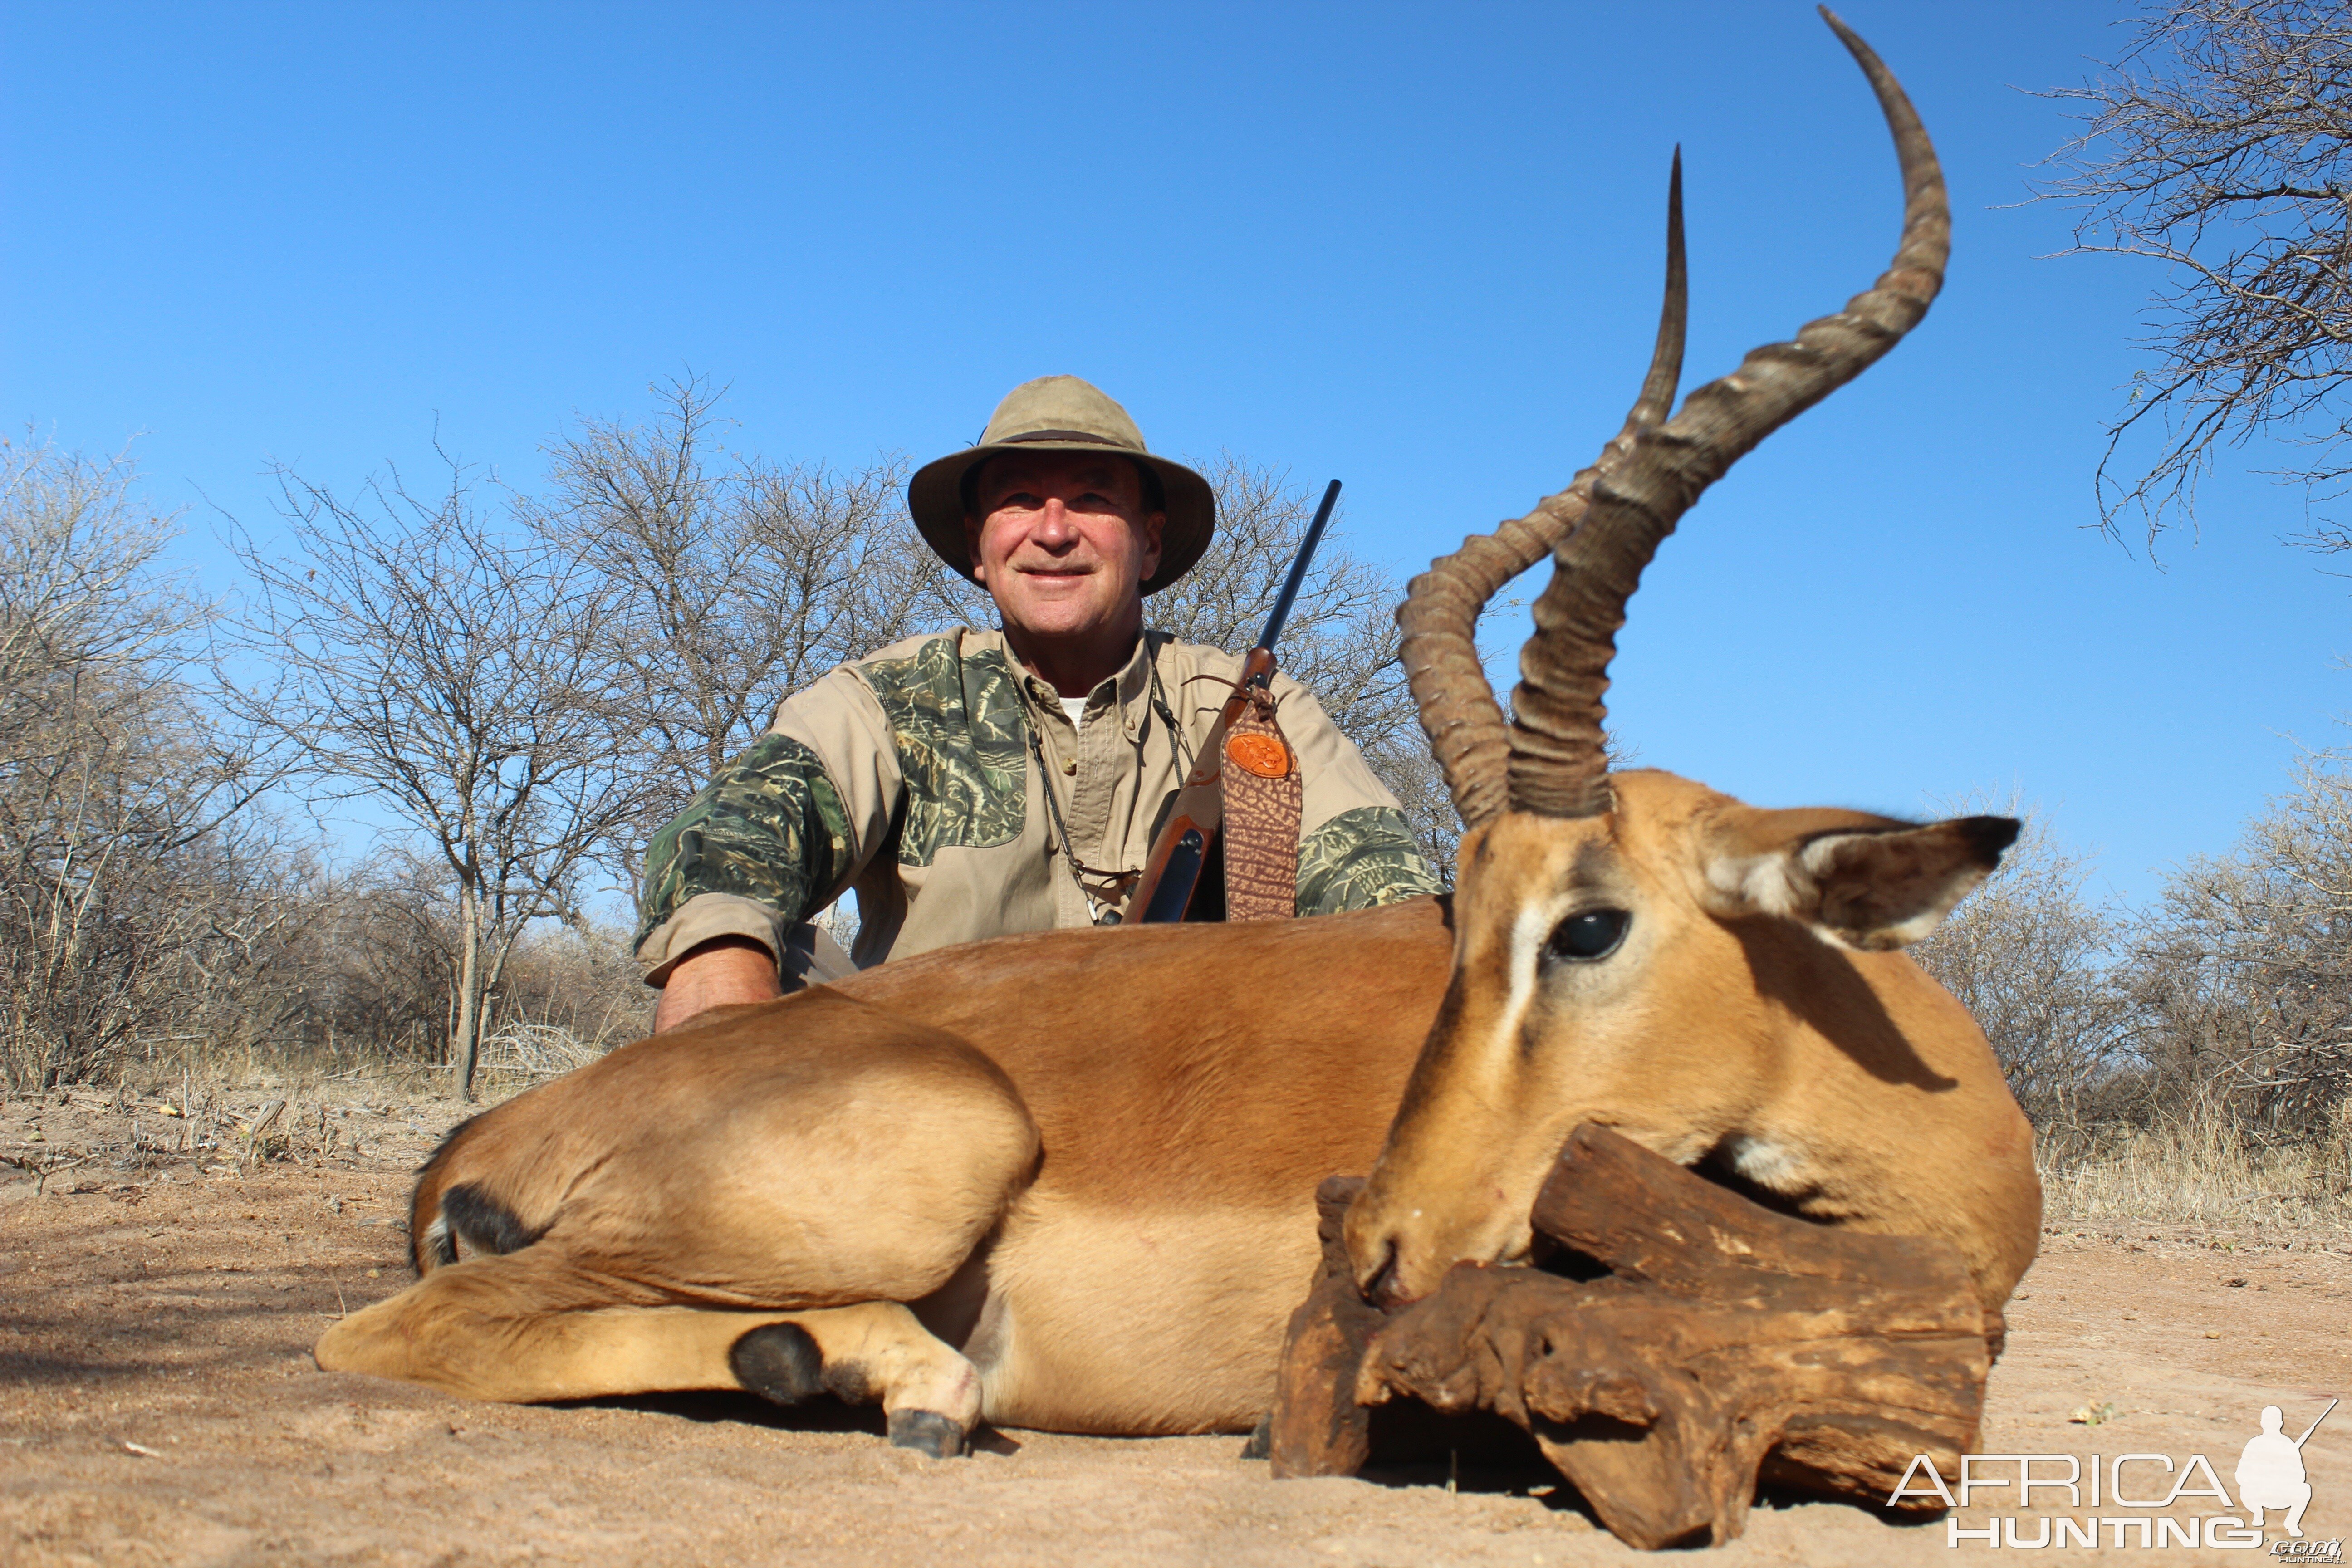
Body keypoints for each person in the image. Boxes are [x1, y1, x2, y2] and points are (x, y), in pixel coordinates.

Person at [634, 374, 1443, 1031]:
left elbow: (1387, 903)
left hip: (1186, 1108)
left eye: (1092, 500)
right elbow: (733, 838)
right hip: (912, 1106)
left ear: (1150, 542)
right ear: (980, 550)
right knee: (749, 948)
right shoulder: (886, 698)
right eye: (1019, 500)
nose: (1053, 532)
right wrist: (720, 966)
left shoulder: (1253, 710)